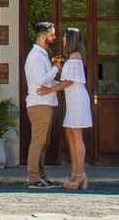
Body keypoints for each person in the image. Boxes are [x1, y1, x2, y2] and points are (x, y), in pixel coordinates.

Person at [36, 27, 91, 189]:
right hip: (73, 99)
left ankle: (80, 175)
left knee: (76, 135)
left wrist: (50, 90)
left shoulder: (75, 56)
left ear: (72, 39)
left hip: (78, 99)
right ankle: (74, 173)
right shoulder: (71, 57)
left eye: (65, 37)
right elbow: (66, 80)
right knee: (70, 134)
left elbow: (69, 81)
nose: (63, 39)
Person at [23, 20, 61, 189]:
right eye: (52, 34)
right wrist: (56, 68)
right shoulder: (36, 57)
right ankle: (34, 178)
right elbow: (40, 80)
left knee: (43, 142)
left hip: (45, 103)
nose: (55, 37)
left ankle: (41, 176)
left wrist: (61, 84)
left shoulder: (42, 54)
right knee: (38, 141)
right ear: (43, 37)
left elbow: (47, 81)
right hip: (39, 104)